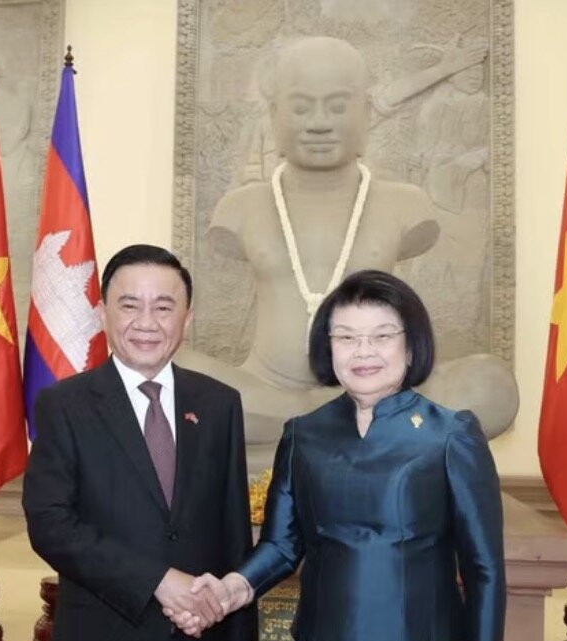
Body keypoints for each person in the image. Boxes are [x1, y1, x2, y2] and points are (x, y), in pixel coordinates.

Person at [173, 270, 506, 641]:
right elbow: (282, 545)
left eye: (381, 335)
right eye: (346, 336)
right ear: (327, 348)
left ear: (410, 343)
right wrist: (231, 588)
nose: (363, 351)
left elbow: (484, 568)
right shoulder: (304, 433)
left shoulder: (452, 434)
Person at [177, 36, 519, 469]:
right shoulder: (240, 207)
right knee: (174, 375)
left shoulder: (405, 203)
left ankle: (320, 425)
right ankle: (340, 423)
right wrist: (301, 402)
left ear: (365, 115)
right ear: (274, 117)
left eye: (338, 107)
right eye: (301, 108)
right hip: (266, 388)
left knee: (492, 385)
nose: (319, 123)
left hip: (383, 390)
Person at [22, 244, 258, 641]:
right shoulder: (64, 405)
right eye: (129, 305)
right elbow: (51, 524)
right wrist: (156, 581)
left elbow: (234, 534)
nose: (146, 324)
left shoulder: (219, 404)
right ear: (103, 312)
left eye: (163, 306)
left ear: (187, 317)